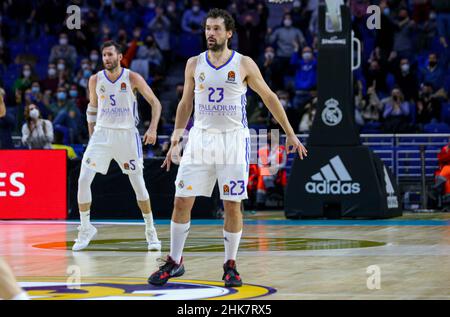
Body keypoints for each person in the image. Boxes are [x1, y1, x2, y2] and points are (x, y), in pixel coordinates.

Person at [148, 9, 307, 288]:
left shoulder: (244, 63)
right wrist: (176, 138)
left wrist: (290, 134)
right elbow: (186, 104)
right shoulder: (193, 64)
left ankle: (230, 264)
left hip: (233, 140)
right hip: (200, 138)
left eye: (216, 29)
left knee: (232, 204)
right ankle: (175, 261)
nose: (210, 33)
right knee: (181, 200)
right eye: (208, 28)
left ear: (229, 33)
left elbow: (269, 97)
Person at [73, 41, 163, 252]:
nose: (106, 58)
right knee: (83, 179)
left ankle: (150, 230)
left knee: (138, 184)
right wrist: (92, 134)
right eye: (104, 55)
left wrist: (152, 129)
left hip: (126, 136)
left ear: (120, 56)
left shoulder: (132, 77)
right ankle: (86, 228)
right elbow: (92, 108)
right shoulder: (95, 79)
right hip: (102, 135)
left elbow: (156, 103)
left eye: (110, 54)